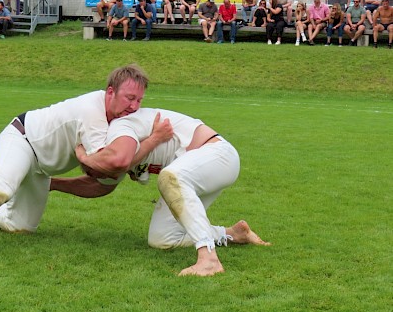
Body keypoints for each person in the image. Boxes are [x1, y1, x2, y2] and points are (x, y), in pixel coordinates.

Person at [0, 65, 152, 268]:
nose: (134, 106)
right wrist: (147, 146)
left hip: (42, 167)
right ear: (111, 92)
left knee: (20, 226)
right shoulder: (92, 111)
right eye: (129, 98)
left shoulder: (118, 119)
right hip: (22, 139)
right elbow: (104, 167)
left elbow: (105, 180)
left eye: (139, 100)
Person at [67, 108, 271, 277]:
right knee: (162, 238)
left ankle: (209, 260)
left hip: (218, 155)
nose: (106, 175)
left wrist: (85, 159)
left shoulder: (120, 132)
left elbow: (116, 166)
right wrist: (54, 184)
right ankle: (233, 234)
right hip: (192, 173)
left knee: (170, 176)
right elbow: (101, 184)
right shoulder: (116, 151)